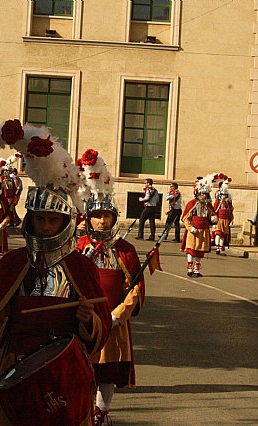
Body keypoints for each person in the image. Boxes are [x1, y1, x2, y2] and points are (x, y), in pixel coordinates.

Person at [0, 119, 111, 425]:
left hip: (65, 369)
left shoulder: (81, 267)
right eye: (41, 219)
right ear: (30, 220)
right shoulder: (12, 264)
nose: (46, 226)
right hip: (16, 365)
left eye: (53, 220)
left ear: (65, 223)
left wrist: (88, 321)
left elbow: (99, 330)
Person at [75, 149, 145, 426]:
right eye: (97, 216)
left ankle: (102, 412)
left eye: (107, 216)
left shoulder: (125, 250)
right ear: (88, 218)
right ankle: (83, 411)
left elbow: (135, 286)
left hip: (114, 321)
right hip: (83, 319)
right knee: (83, 369)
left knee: (108, 372)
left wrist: (118, 315)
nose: (102, 221)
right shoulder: (79, 248)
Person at [181, 175, 217, 277]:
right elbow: (185, 217)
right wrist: (189, 227)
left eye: (206, 194)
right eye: (203, 194)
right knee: (191, 249)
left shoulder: (208, 205)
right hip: (194, 230)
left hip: (204, 231)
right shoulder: (192, 203)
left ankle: (196, 269)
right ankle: (189, 268)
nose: (205, 196)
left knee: (200, 250)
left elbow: (213, 216)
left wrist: (214, 219)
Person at [213, 178, 234, 255]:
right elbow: (214, 211)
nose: (224, 196)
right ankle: (217, 248)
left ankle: (221, 249)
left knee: (223, 235)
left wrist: (231, 220)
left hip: (226, 220)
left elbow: (231, 211)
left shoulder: (228, 203)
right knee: (218, 233)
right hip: (219, 219)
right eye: (223, 195)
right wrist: (214, 221)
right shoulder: (217, 202)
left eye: (225, 195)